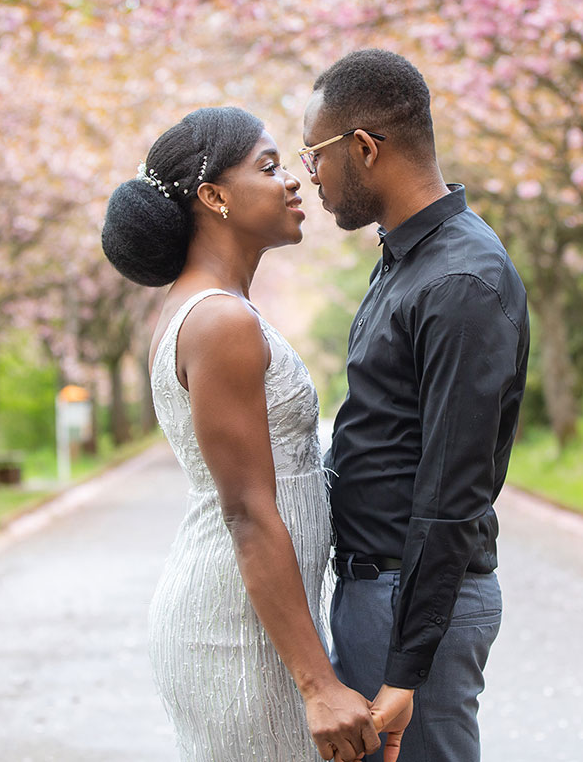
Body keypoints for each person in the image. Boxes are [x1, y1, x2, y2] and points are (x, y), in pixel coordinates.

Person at [100, 107, 386, 762]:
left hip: (255, 617)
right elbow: (248, 512)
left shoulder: (214, 309)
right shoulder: (219, 320)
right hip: (238, 630)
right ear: (214, 197)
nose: (293, 182)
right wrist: (318, 685)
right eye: (269, 166)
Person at [301, 49, 530, 761]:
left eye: (315, 154)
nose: (309, 174)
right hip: (377, 591)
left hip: (411, 606)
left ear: (364, 148)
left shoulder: (462, 279)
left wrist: (408, 666)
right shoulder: (406, 257)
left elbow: (453, 488)